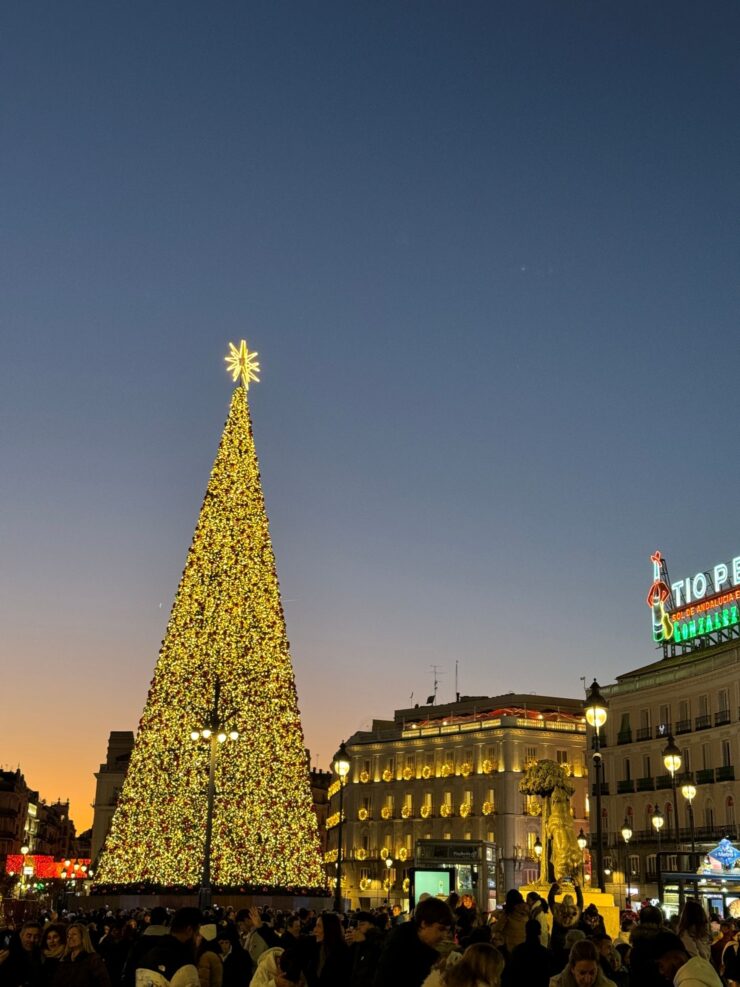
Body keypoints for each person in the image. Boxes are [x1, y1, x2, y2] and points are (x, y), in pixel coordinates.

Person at [372, 897, 455, 987]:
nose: (444, 935)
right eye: (441, 929)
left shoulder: (424, 947)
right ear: (424, 923)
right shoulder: (401, 949)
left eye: (447, 931)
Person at [136, 907, 202, 987]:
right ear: (189, 930)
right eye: (198, 933)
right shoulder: (185, 965)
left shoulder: (148, 955)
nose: (199, 938)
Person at [651, 931, 722, 986]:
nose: (661, 972)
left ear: (677, 958)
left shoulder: (689, 983)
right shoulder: (702, 967)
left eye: (661, 966)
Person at [504, 918, 554, 987]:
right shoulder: (545, 953)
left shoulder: (517, 951)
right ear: (539, 932)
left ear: (526, 931)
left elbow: (511, 974)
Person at [549, 938, 617, 987]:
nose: (587, 979)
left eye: (592, 973)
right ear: (572, 969)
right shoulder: (557, 984)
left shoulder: (608, 986)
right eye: (582, 973)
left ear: (597, 968)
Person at [305, 913, 349, 987]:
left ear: (329, 929)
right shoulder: (318, 946)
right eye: (316, 926)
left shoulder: (341, 952)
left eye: (318, 926)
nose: (314, 930)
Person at [1, 921, 44, 987]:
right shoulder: (8, 955)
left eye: (36, 937)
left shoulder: (40, 954)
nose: (32, 940)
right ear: (21, 935)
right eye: (28, 936)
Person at [549, 882, 583, 958]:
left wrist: (556, 885)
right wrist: (577, 887)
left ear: (563, 901)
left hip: (556, 942)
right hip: (571, 942)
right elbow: (580, 901)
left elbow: (550, 898)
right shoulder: (576, 913)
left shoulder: (557, 911)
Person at [489, 890, 528, 956]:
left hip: (510, 947)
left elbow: (496, 928)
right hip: (524, 946)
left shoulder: (508, 914)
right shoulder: (527, 911)